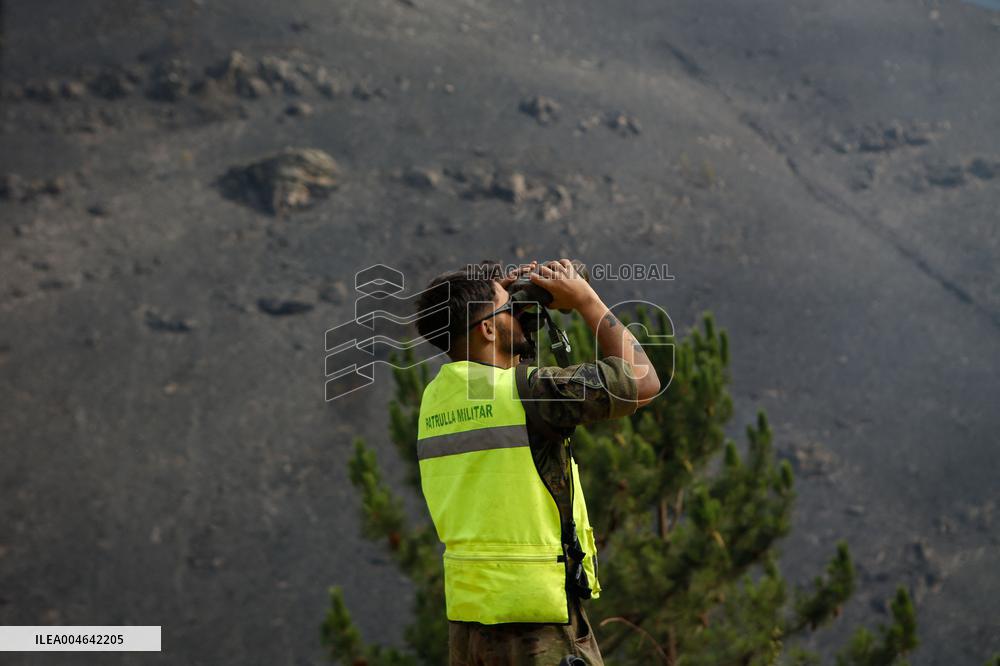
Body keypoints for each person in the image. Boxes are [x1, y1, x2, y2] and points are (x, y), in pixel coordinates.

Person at [412, 258, 662, 665]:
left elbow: (498, 378)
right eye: (509, 307)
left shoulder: (437, 399)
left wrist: (508, 304)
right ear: (488, 329)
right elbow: (643, 382)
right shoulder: (526, 392)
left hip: (470, 621)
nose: (519, 310)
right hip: (535, 622)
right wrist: (586, 301)